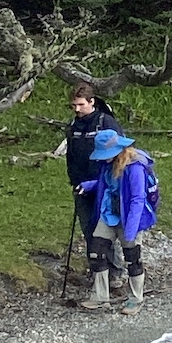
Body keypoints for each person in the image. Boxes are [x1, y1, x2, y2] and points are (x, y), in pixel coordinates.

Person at [84, 128, 157, 314]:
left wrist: (131, 229)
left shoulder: (135, 168)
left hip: (129, 217)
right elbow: (108, 184)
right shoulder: (108, 164)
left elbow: (137, 199)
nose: (102, 158)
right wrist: (89, 186)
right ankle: (100, 298)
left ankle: (135, 299)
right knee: (96, 252)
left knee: (133, 257)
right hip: (109, 213)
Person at [59, 85, 117, 293]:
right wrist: (73, 180)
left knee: (106, 228)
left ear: (92, 102)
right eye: (74, 105)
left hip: (104, 184)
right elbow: (71, 157)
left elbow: (118, 152)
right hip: (80, 185)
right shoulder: (73, 126)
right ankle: (97, 270)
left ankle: (114, 271)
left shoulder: (106, 122)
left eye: (81, 105)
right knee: (88, 229)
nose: (77, 109)